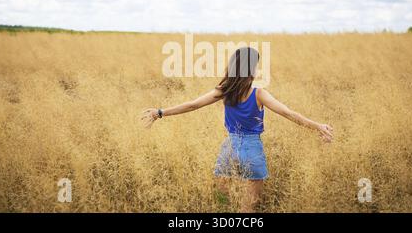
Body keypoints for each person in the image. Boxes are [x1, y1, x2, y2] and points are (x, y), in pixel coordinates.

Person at [142, 47, 333, 212]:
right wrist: (317, 126)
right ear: (250, 69)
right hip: (252, 150)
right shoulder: (259, 93)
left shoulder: (224, 89)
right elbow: (288, 113)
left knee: (226, 200)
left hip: (229, 148)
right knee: (247, 209)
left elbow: (193, 105)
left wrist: (160, 112)